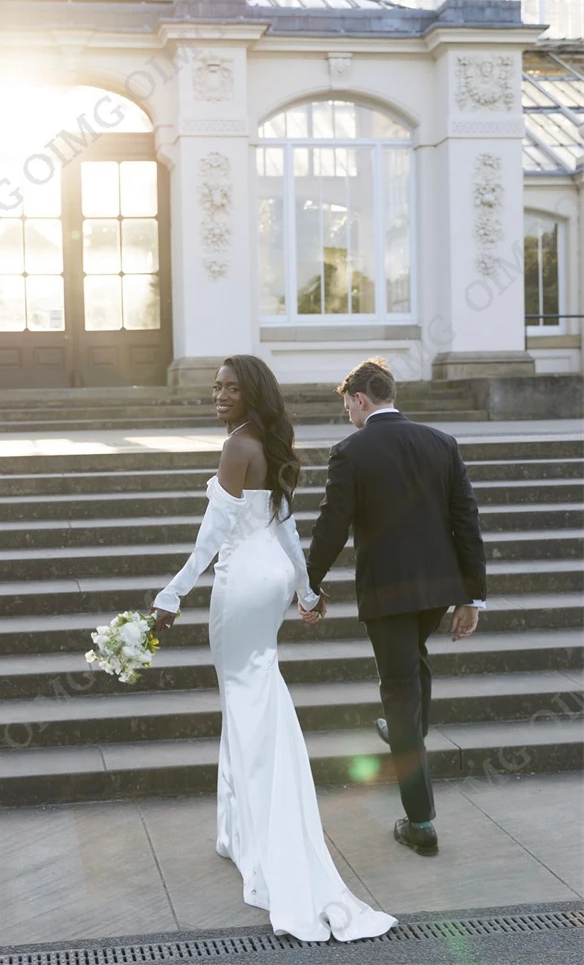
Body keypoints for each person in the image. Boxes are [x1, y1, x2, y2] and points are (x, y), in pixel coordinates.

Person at [152, 354, 397, 942]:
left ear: (251, 392)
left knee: (244, 699)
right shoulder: (271, 439)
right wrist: (305, 590)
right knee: (256, 693)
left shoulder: (238, 446)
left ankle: (264, 838)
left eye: (230, 388)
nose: (219, 395)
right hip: (271, 581)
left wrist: (171, 593)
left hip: (241, 580)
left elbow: (212, 536)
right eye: (215, 387)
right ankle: (242, 832)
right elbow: (287, 526)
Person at [304, 357, 487, 857]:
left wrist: (308, 584)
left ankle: (421, 821)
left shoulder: (350, 451)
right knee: (412, 666)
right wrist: (470, 595)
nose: (346, 414)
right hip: (435, 593)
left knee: (400, 692)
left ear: (361, 399)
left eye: (346, 405)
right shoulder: (441, 443)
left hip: (387, 597)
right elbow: (465, 520)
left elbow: (331, 527)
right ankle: (409, 727)